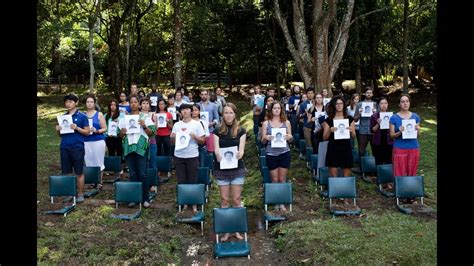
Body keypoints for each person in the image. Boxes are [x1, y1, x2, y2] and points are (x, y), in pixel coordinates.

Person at [213, 103, 247, 241]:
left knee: (237, 199)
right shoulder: (217, 131)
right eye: (226, 112)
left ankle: (238, 229)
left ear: (235, 114)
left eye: (231, 112)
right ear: (223, 115)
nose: (228, 115)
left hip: (237, 169)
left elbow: (242, 149)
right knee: (224, 200)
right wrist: (217, 154)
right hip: (222, 169)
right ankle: (226, 230)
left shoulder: (241, 130)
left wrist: (240, 154)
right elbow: (216, 148)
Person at [118, 95, 156, 208]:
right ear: (129, 104)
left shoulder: (145, 117)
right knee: (133, 174)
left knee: (143, 173)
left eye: (135, 102)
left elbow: (152, 133)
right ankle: (134, 198)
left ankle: (146, 198)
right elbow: (119, 134)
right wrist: (123, 132)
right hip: (129, 147)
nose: (133, 104)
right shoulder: (124, 118)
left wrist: (144, 126)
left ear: (139, 104)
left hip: (141, 148)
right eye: (131, 102)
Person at [55, 94, 90, 203]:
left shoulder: (82, 116)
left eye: (70, 101)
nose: (68, 104)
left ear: (76, 102)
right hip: (64, 146)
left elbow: (87, 132)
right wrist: (57, 129)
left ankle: (80, 193)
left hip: (77, 147)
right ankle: (70, 193)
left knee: (79, 171)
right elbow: (60, 135)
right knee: (66, 172)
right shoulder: (63, 117)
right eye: (66, 102)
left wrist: (77, 128)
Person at [171, 104, 206, 212]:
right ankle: (184, 203)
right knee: (181, 180)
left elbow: (203, 140)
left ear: (191, 111)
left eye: (187, 109)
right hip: (179, 156)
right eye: (182, 110)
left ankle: (194, 204)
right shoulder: (177, 125)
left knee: (193, 180)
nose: (185, 111)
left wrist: (195, 137)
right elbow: (172, 141)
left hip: (192, 156)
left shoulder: (197, 124)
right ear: (180, 112)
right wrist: (173, 138)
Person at [261, 101, 293, 211]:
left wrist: (289, 137)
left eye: (278, 108)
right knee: (274, 179)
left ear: (281, 110)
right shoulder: (266, 123)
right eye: (274, 108)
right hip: (271, 154)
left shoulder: (286, 122)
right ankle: (276, 202)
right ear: (271, 110)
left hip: (284, 153)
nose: (276, 110)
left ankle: (282, 202)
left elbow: (291, 137)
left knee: (282, 179)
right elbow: (262, 139)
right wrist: (266, 137)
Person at [389, 94, 421, 202]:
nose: (405, 103)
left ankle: (411, 194)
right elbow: (392, 135)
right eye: (402, 101)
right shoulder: (394, 117)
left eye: (407, 101)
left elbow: (417, 135)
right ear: (399, 104)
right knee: (399, 171)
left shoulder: (415, 117)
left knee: (412, 170)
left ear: (409, 103)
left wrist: (418, 129)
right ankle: (400, 193)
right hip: (400, 147)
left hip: (413, 147)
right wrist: (400, 132)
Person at [323, 97, 356, 189]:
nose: (339, 105)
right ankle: (335, 196)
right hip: (333, 148)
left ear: (344, 105)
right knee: (334, 177)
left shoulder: (350, 119)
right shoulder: (328, 120)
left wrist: (351, 130)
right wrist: (329, 130)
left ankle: (345, 196)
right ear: (333, 106)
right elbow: (324, 138)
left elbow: (354, 136)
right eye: (337, 104)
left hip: (346, 148)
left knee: (346, 176)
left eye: (341, 103)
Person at [84, 95, 107, 188]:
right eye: (87, 102)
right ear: (85, 103)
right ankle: (92, 181)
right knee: (89, 161)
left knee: (99, 161)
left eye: (91, 102)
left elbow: (105, 128)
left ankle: (99, 181)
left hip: (98, 140)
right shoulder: (82, 115)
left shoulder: (99, 114)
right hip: (86, 141)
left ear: (94, 103)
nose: (89, 104)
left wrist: (96, 130)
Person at [354, 87, 377, 158]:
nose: (369, 94)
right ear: (364, 94)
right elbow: (355, 119)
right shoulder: (359, 105)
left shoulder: (375, 104)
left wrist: (375, 113)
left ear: (372, 94)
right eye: (367, 92)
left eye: (370, 93)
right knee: (361, 151)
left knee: (375, 150)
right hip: (363, 130)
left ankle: (375, 167)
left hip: (373, 130)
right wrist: (359, 113)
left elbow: (379, 119)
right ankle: (362, 167)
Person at [370, 97, 394, 168]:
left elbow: (394, 129)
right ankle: (379, 177)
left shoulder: (392, 116)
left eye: (385, 103)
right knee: (378, 161)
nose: (384, 105)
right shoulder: (374, 116)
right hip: (378, 142)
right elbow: (372, 130)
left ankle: (388, 177)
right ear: (378, 105)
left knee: (389, 161)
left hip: (389, 141)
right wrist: (378, 124)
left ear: (388, 104)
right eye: (382, 103)